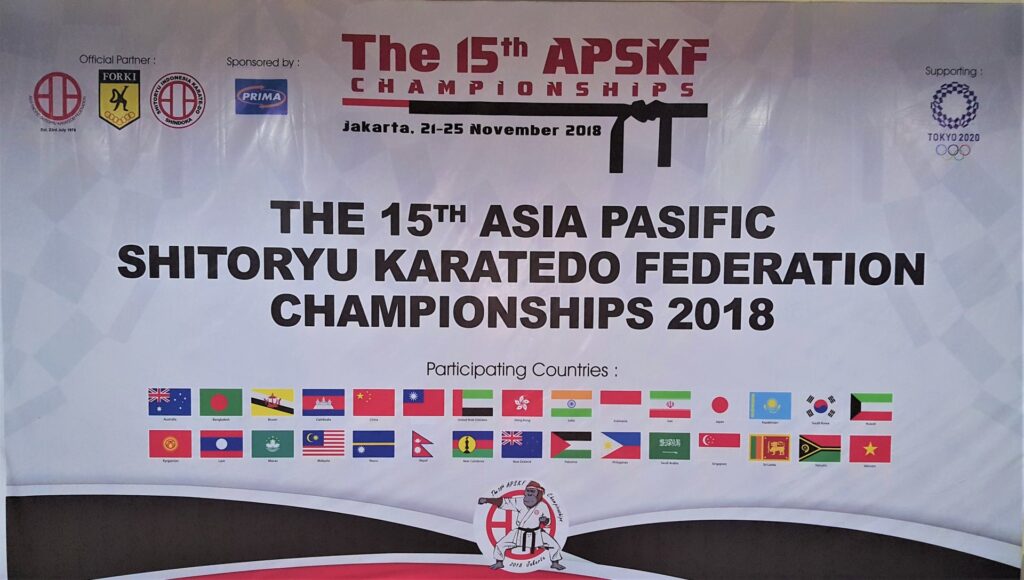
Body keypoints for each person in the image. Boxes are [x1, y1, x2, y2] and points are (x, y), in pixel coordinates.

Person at [478, 481, 565, 570]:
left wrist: (545, 520)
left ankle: (555, 563)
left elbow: (548, 522)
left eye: (532, 491)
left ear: (538, 493)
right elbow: (503, 502)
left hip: (536, 533)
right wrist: (487, 500)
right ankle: (499, 562)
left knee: (554, 545)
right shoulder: (519, 501)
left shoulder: (543, 505)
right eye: (528, 491)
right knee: (500, 545)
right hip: (519, 533)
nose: (529, 494)